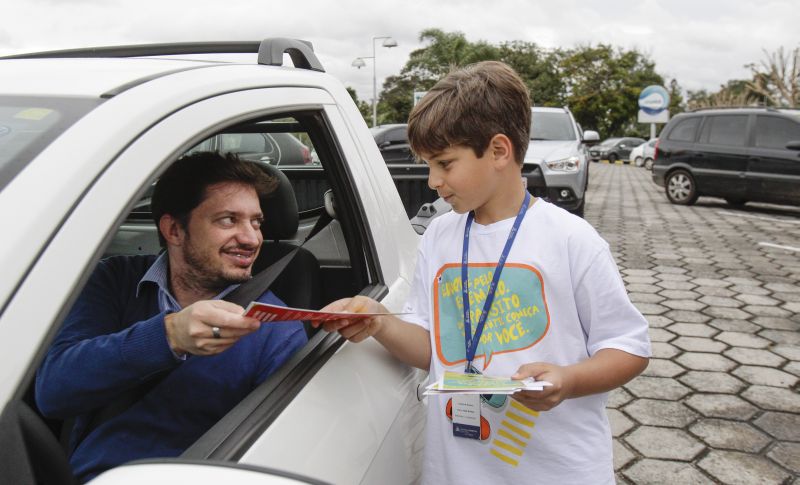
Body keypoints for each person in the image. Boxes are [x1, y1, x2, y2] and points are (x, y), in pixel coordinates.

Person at [315, 61, 650, 484]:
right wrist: (378, 321)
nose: (433, 180)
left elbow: (629, 348)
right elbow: (434, 350)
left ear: (498, 151)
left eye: (444, 163)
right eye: (427, 165)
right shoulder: (439, 236)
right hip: (457, 470)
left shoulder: (570, 240)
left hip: (555, 470)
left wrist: (569, 379)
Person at [35, 152, 307, 483]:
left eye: (256, 222)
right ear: (174, 230)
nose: (251, 238)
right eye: (228, 220)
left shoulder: (276, 327)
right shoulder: (115, 280)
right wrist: (168, 336)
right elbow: (53, 393)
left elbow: (273, 456)